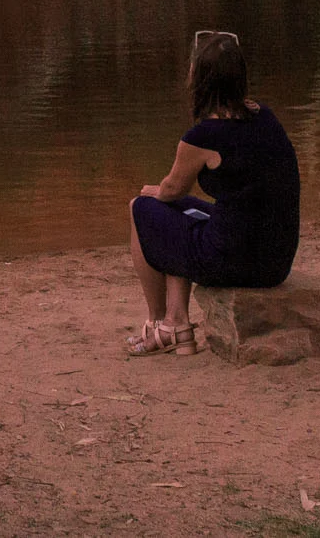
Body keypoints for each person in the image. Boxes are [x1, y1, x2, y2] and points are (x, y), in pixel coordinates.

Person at [124, 28, 301, 355]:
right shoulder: (266, 118)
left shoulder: (204, 136)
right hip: (276, 260)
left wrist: (152, 192)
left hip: (236, 260)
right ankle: (178, 324)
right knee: (179, 217)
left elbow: (170, 190)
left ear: (199, 80)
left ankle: (158, 323)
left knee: (141, 208)